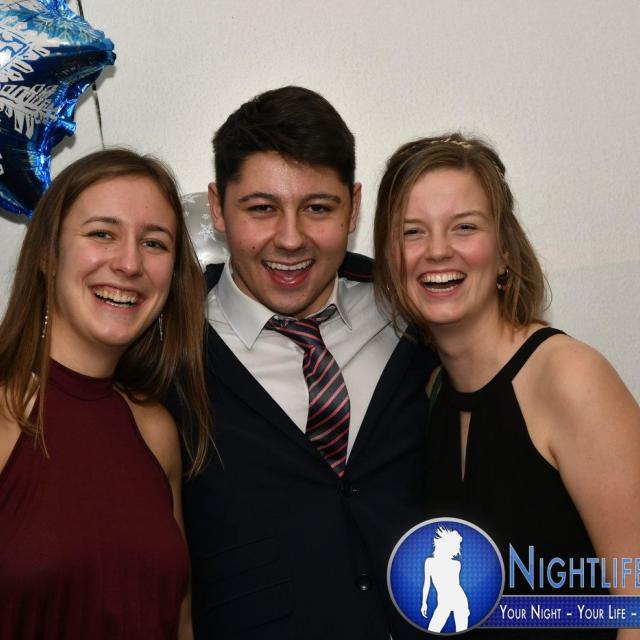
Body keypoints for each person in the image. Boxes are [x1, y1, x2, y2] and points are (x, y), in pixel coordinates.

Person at [178, 86, 438, 640]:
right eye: (261, 209)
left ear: (354, 207)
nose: (291, 239)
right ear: (218, 207)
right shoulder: (167, 348)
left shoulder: (416, 313)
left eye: (318, 208)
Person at [374, 134, 640, 639]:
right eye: (412, 232)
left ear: (503, 252)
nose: (437, 250)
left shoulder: (570, 378)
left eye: (465, 227)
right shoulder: (428, 392)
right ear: (389, 261)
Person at [0, 149, 212, 640]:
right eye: (102, 234)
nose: (130, 263)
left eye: (154, 243)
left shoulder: (154, 429)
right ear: (47, 256)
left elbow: (181, 625)